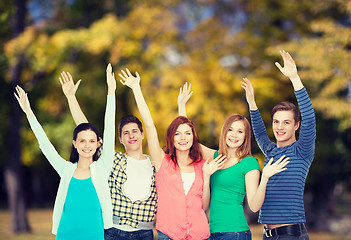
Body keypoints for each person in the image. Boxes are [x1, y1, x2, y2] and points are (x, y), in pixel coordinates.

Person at [14, 63, 116, 240]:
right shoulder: (66, 169)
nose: (87, 145)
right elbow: (45, 146)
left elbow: (109, 127)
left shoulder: (103, 167)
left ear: (98, 143)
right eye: (82, 141)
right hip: (65, 234)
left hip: (94, 234)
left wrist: (111, 92)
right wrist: (28, 111)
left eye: (92, 141)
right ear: (74, 144)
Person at [118, 68, 222, 240]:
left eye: (188, 134)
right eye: (177, 134)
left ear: (194, 137)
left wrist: (207, 176)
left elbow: (203, 206)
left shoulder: (201, 165)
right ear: (171, 138)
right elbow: (150, 126)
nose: (183, 138)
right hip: (169, 235)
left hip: (200, 235)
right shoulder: (162, 163)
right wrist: (136, 88)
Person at [178, 83, 289, 240]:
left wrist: (265, 178)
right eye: (230, 129)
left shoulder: (249, 162)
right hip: (211, 231)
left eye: (240, 131)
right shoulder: (216, 157)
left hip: (235, 232)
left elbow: (254, 205)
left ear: (245, 136)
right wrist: (182, 106)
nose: (234, 135)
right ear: (224, 132)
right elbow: (189, 142)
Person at [59, 68, 157, 240]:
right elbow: (86, 129)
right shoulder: (113, 160)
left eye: (135, 131)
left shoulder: (155, 164)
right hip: (114, 231)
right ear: (120, 139)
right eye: (126, 133)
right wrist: (71, 97)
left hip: (145, 233)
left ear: (142, 134)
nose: (131, 135)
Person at [241, 50, 316, 240]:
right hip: (268, 235)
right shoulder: (271, 151)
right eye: (276, 122)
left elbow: (310, 118)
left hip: (290, 235)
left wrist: (295, 78)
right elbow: (258, 132)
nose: (280, 127)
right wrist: (251, 103)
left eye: (286, 122)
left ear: (296, 125)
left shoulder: (302, 150)